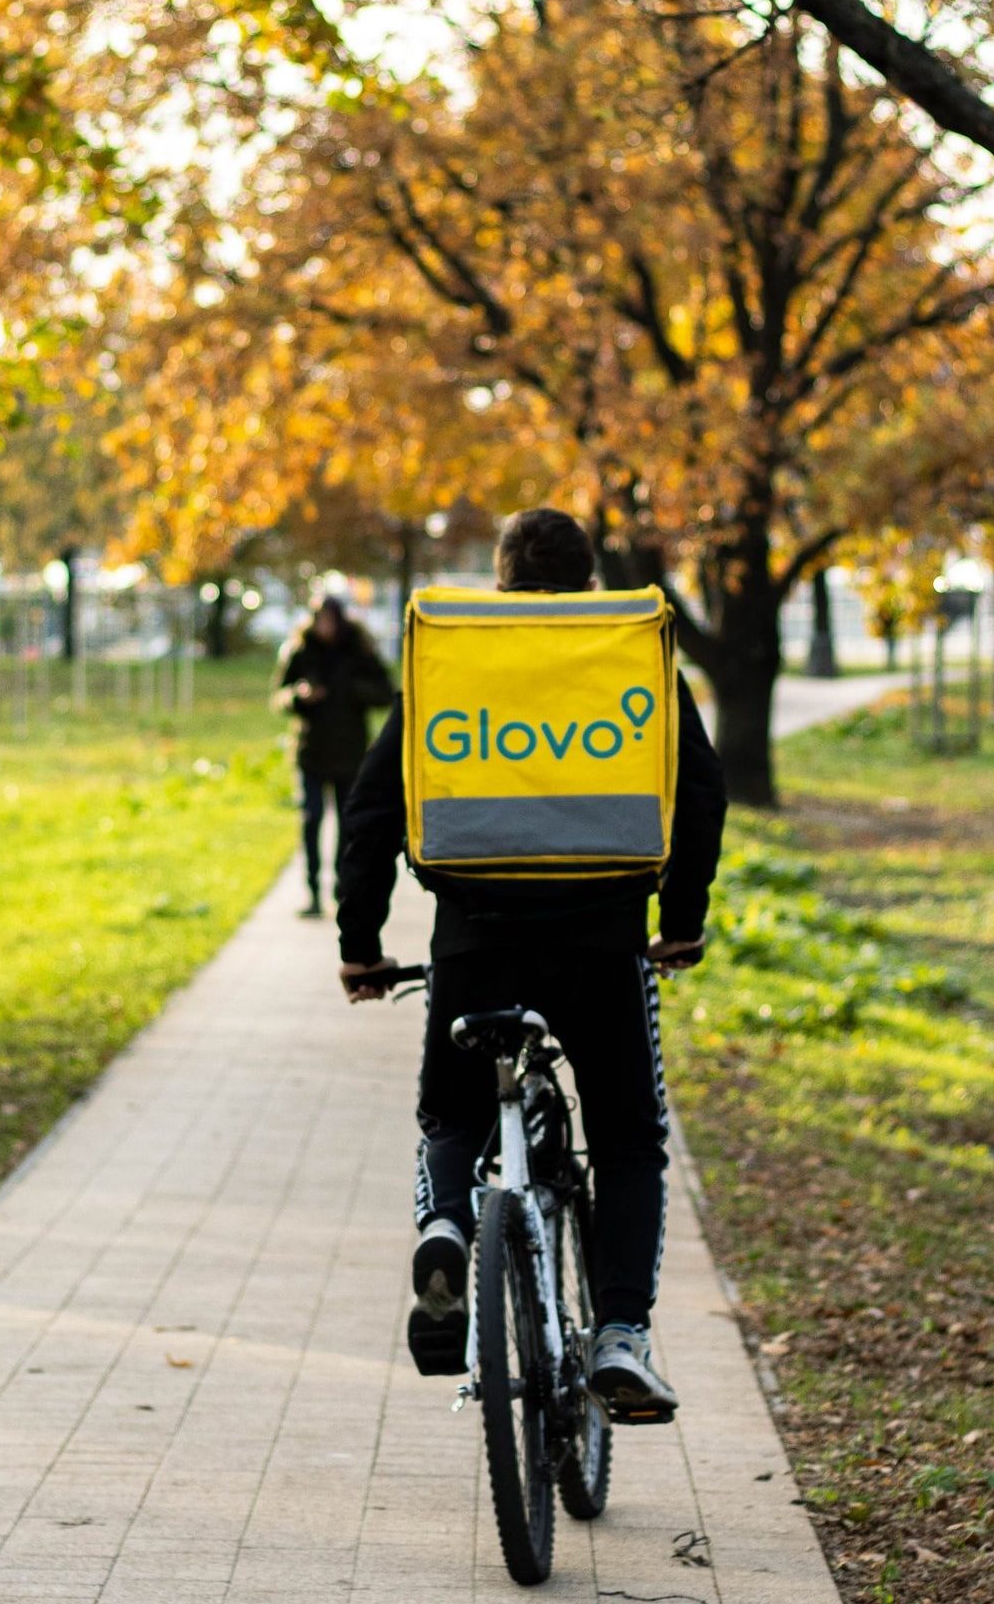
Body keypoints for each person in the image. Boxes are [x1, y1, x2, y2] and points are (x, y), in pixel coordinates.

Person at [335, 509, 727, 1421]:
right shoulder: (633, 659)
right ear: (591, 584)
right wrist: (682, 919)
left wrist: (361, 945)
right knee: (629, 1138)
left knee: (452, 1114)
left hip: (476, 943)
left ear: (504, 583)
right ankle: (622, 1333)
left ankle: (444, 1227)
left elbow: (369, 812)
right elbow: (700, 792)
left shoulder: (453, 666)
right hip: (605, 942)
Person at [273, 595, 394, 919]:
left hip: (350, 755)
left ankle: (343, 888)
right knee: (311, 819)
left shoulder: (359, 652)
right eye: (320, 620)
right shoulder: (300, 651)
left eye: (331, 620)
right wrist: (299, 696)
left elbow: (386, 692)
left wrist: (353, 690)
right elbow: (280, 696)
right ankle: (312, 890)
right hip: (310, 752)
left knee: (347, 823)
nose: (325, 627)